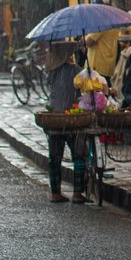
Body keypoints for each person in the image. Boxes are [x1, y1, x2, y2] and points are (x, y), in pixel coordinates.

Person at [45, 42, 86, 203]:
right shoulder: (76, 71)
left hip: (54, 119)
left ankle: (55, 193)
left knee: (54, 157)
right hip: (71, 119)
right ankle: (77, 193)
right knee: (79, 156)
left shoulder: (52, 73)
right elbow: (86, 83)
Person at [84, 0, 120, 80]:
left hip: (97, 66)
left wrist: (85, 39)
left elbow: (89, 42)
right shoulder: (111, 20)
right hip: (107, 66)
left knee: (96, 92)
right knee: (104, 91)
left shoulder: (100, 22)